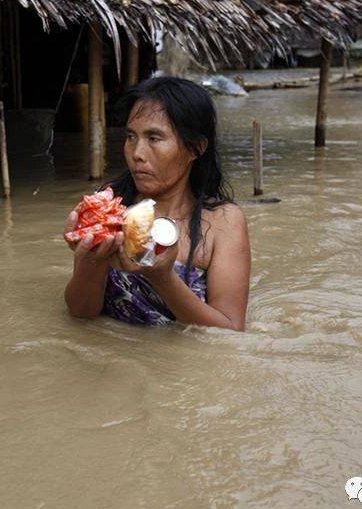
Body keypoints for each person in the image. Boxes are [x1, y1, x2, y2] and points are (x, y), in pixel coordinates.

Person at [63, 77, 250, 331]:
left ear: (196, 148)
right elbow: (81, 313)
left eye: (154, 138)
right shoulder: (108, 208)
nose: (137, 153)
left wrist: (162, 278)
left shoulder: (223, 222)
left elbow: (229, 332)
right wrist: (91, 260)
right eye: (131, 136)